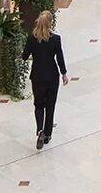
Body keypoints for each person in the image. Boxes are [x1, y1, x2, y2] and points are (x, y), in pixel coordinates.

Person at [22, 11, 69, 149]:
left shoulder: (31, 39)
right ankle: (48, 133)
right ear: (50, 23)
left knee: (38, 105)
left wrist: (34, 56)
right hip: (52, 76)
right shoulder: (55, 39)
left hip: (37, 76)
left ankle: (40, 130)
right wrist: (64, 73)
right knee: (50, 105)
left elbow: (24, 56)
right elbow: (59, 57)